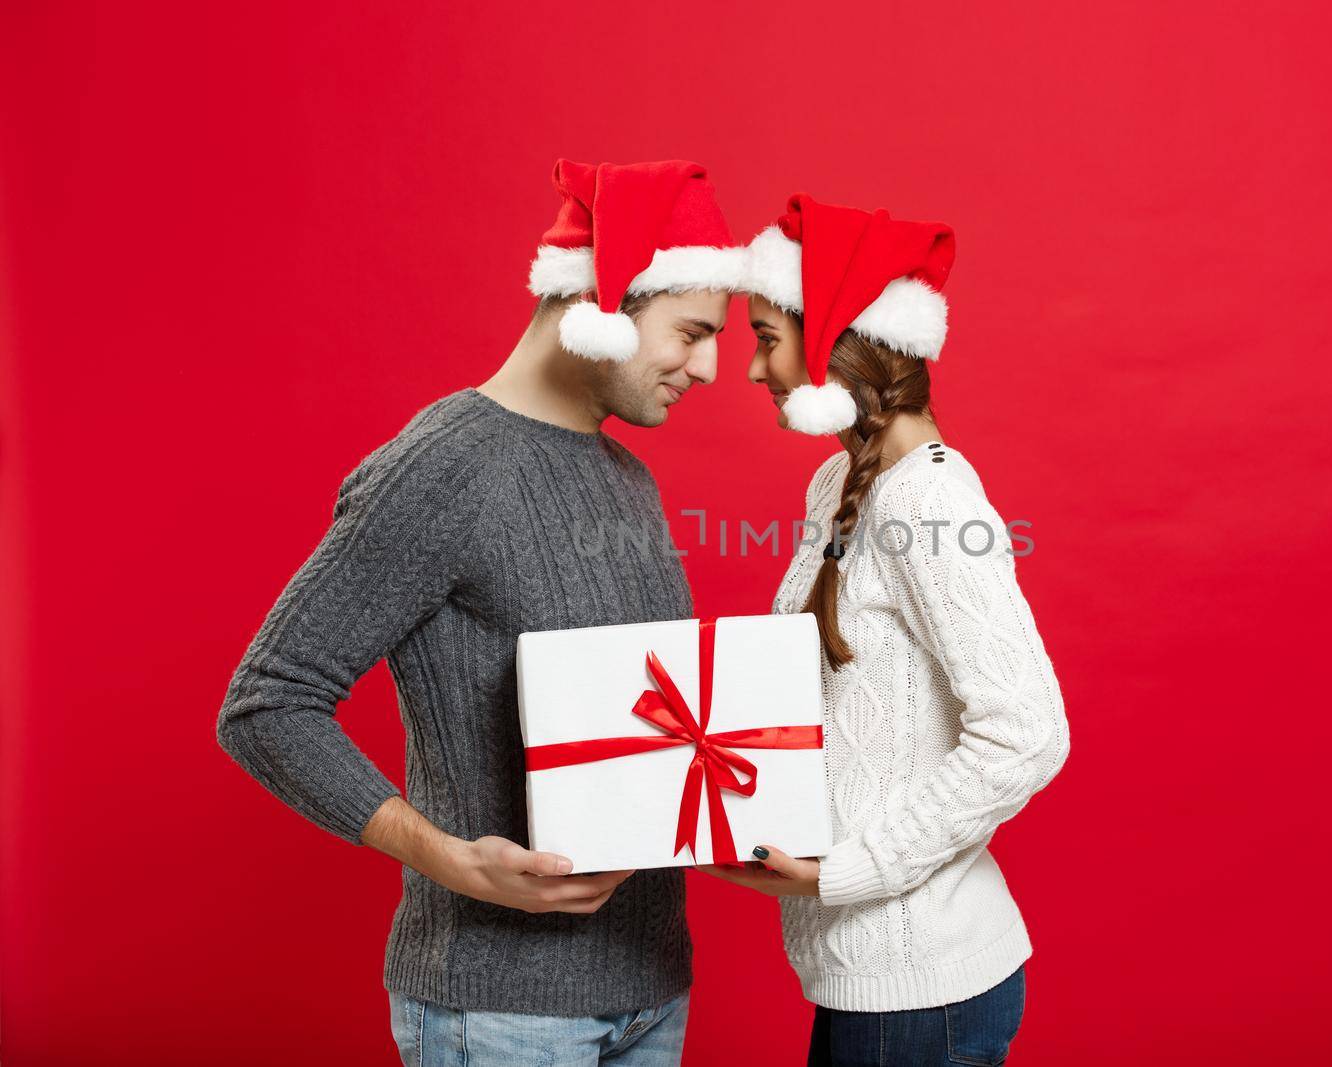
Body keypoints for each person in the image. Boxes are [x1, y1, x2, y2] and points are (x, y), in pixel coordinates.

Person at [215, 158, 746, 1066]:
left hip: (653, 993)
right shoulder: (443, 467)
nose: (710, 365)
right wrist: (450, 861)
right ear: (605, 301)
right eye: (692, 331)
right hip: (503, 1014)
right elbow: (266, 703)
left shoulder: (629, 479)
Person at [698, 195, 1071, 1066]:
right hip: (861, 978)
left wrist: (850, 870)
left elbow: (1028, 733)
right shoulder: (838, 485)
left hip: (925, 987)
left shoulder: (931, 499)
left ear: (832, 334)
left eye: (765, 336)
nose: (753, 369)